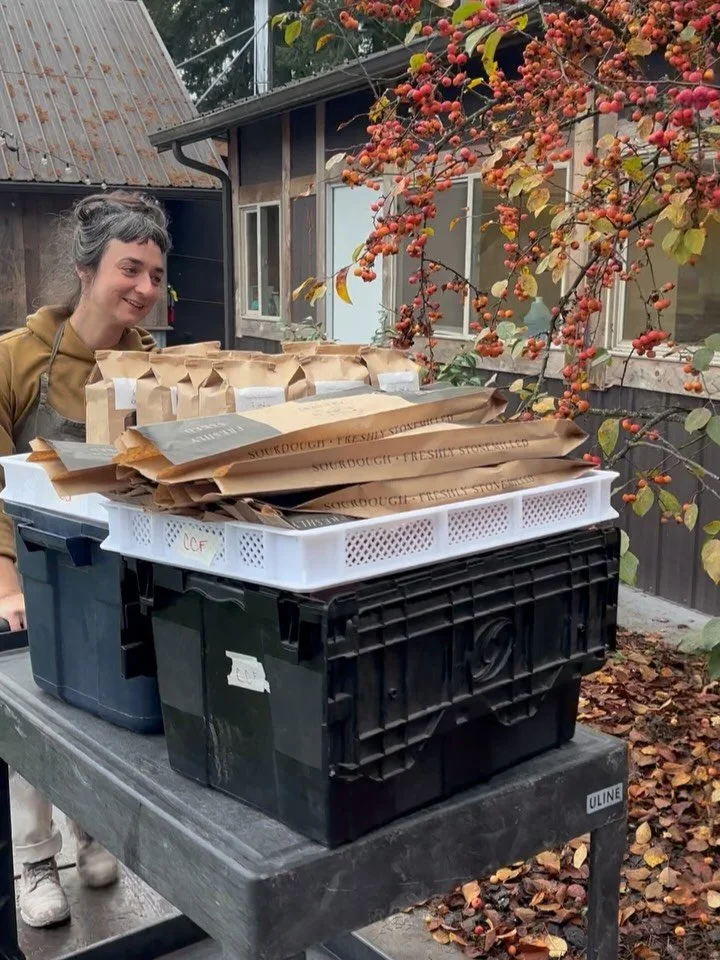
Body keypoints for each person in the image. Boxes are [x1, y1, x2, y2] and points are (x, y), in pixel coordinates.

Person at [0, 190, 170, 928]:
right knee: (31, 716)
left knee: (103, 706)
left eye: (155, 274)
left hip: (113, 570)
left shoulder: (155, 367)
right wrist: (6, 583)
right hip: (26, 565)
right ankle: (34, 857)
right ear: (85, 269)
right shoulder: (16, 358)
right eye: (129, 268)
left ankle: (89, 830)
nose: (145, 287)